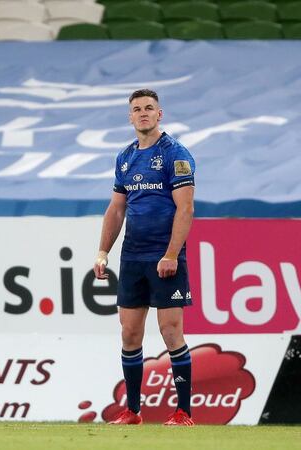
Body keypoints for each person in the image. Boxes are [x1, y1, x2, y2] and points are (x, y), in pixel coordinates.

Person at [93, 89, 196, 426]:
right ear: (130, 117)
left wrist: (171, 254)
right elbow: (116, 209)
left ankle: (183, 412)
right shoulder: (125, 158)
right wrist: (103, 252)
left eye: (149, 108)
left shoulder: (175, 154)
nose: (143, 114)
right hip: (133, 257)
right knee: (129, 334)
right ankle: (132, 411)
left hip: (165, 258)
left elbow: (185, 208)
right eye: (136, 109)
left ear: (160, 114)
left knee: (170, 332)